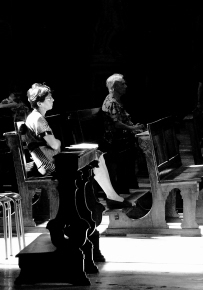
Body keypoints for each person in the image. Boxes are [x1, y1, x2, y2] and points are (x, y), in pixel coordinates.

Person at [23, 82, 133, 210]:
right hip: (49, 165)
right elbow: (54, 145)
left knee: (96, 154)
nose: (53, 100)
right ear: (39, 103)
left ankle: (111, 196)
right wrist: (58, 142)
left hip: (50, 160)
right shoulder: (38, 119)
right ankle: (109, 198)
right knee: (95, 156)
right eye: (49, 98)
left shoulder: (35, 117)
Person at [101, 73, 146, 193]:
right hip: (115, 140)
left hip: (122, 137)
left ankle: (132, 183)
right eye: (122, 84)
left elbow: (123, 120)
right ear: (115, 87)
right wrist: (132, 128)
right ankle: (126, 186)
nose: (125, 86)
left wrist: (134, 127)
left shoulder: (117, 101)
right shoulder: (112, 102)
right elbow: (117, 124)